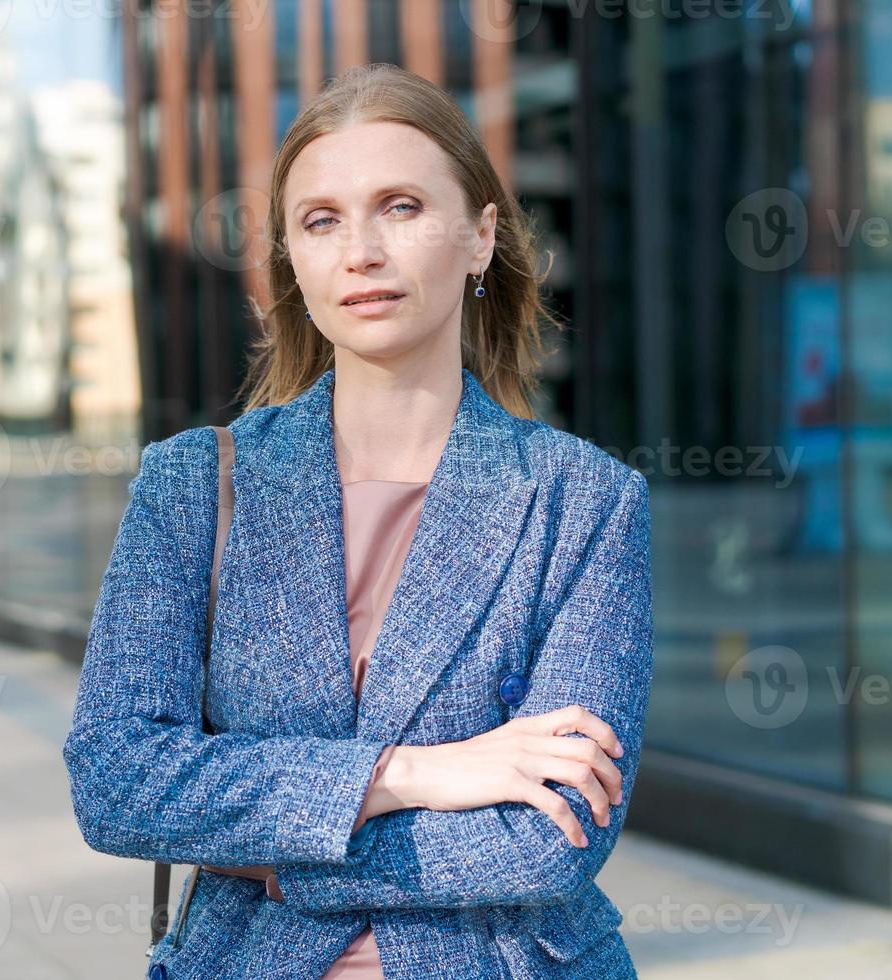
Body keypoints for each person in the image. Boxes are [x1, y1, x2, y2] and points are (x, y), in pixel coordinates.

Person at [63, 63, 653, 979]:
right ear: (292, 260)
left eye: (402, 207)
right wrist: (410, 774)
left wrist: (271, 847)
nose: (361, 252)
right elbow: (118, 780)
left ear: (479, 236)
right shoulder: (192, 484)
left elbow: (553, 839)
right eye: (321, 220)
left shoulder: (584, 501)